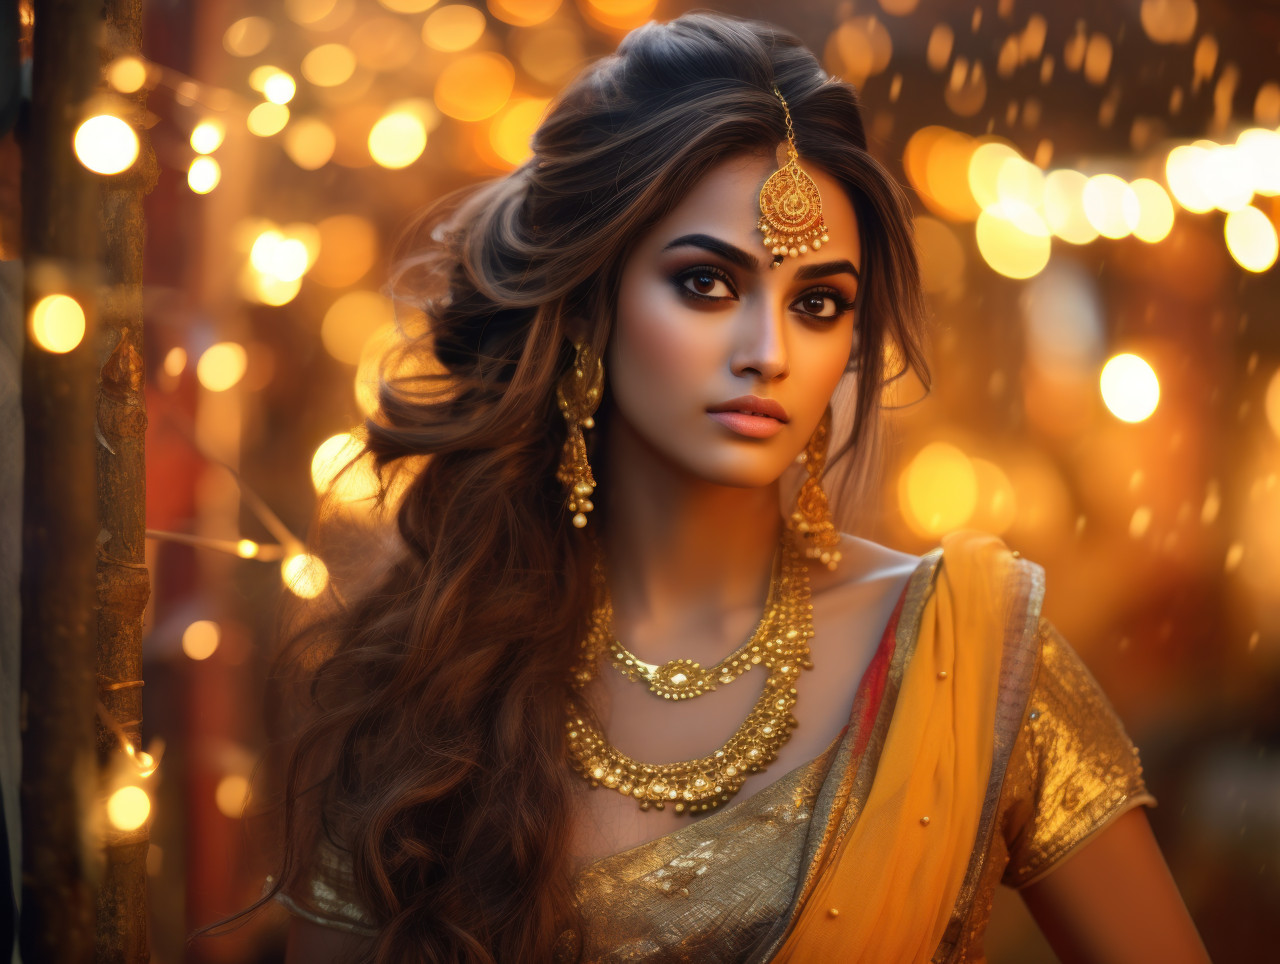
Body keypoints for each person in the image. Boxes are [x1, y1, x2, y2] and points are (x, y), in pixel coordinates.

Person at [264, 13, 1211, 963]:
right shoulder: (434, 668)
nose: (770, 354)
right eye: (708, 284)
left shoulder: (968, 654)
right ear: (591, 303)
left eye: (818, 303)